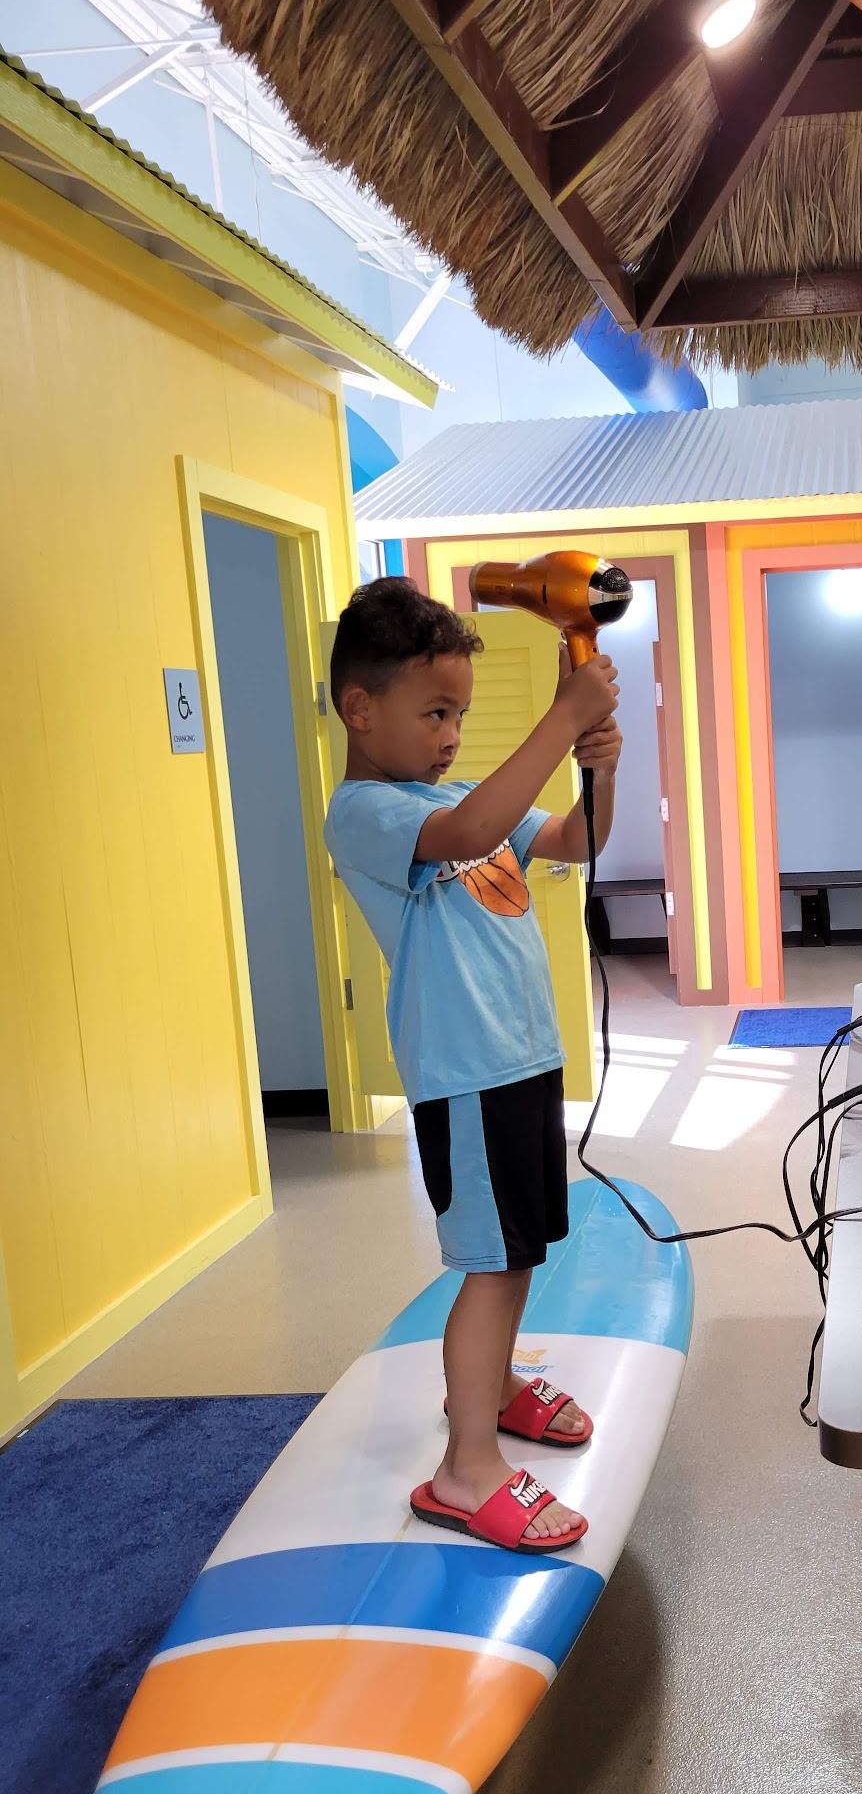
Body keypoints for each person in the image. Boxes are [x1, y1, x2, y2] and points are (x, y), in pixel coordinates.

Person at [323, 577, 620, 1553]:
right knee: (491, 1267)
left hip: (522, 1058)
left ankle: (488, 1390)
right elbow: (470, 836)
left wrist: (600, 764)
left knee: (518, 1251)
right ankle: (465, 1470)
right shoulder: (366, 813)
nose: (452, 736)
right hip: (467, 1074)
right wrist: (562, 715)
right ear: (360, 709)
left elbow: (575, 839)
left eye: (460, 715)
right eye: (435, 713)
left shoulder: (455, 796)